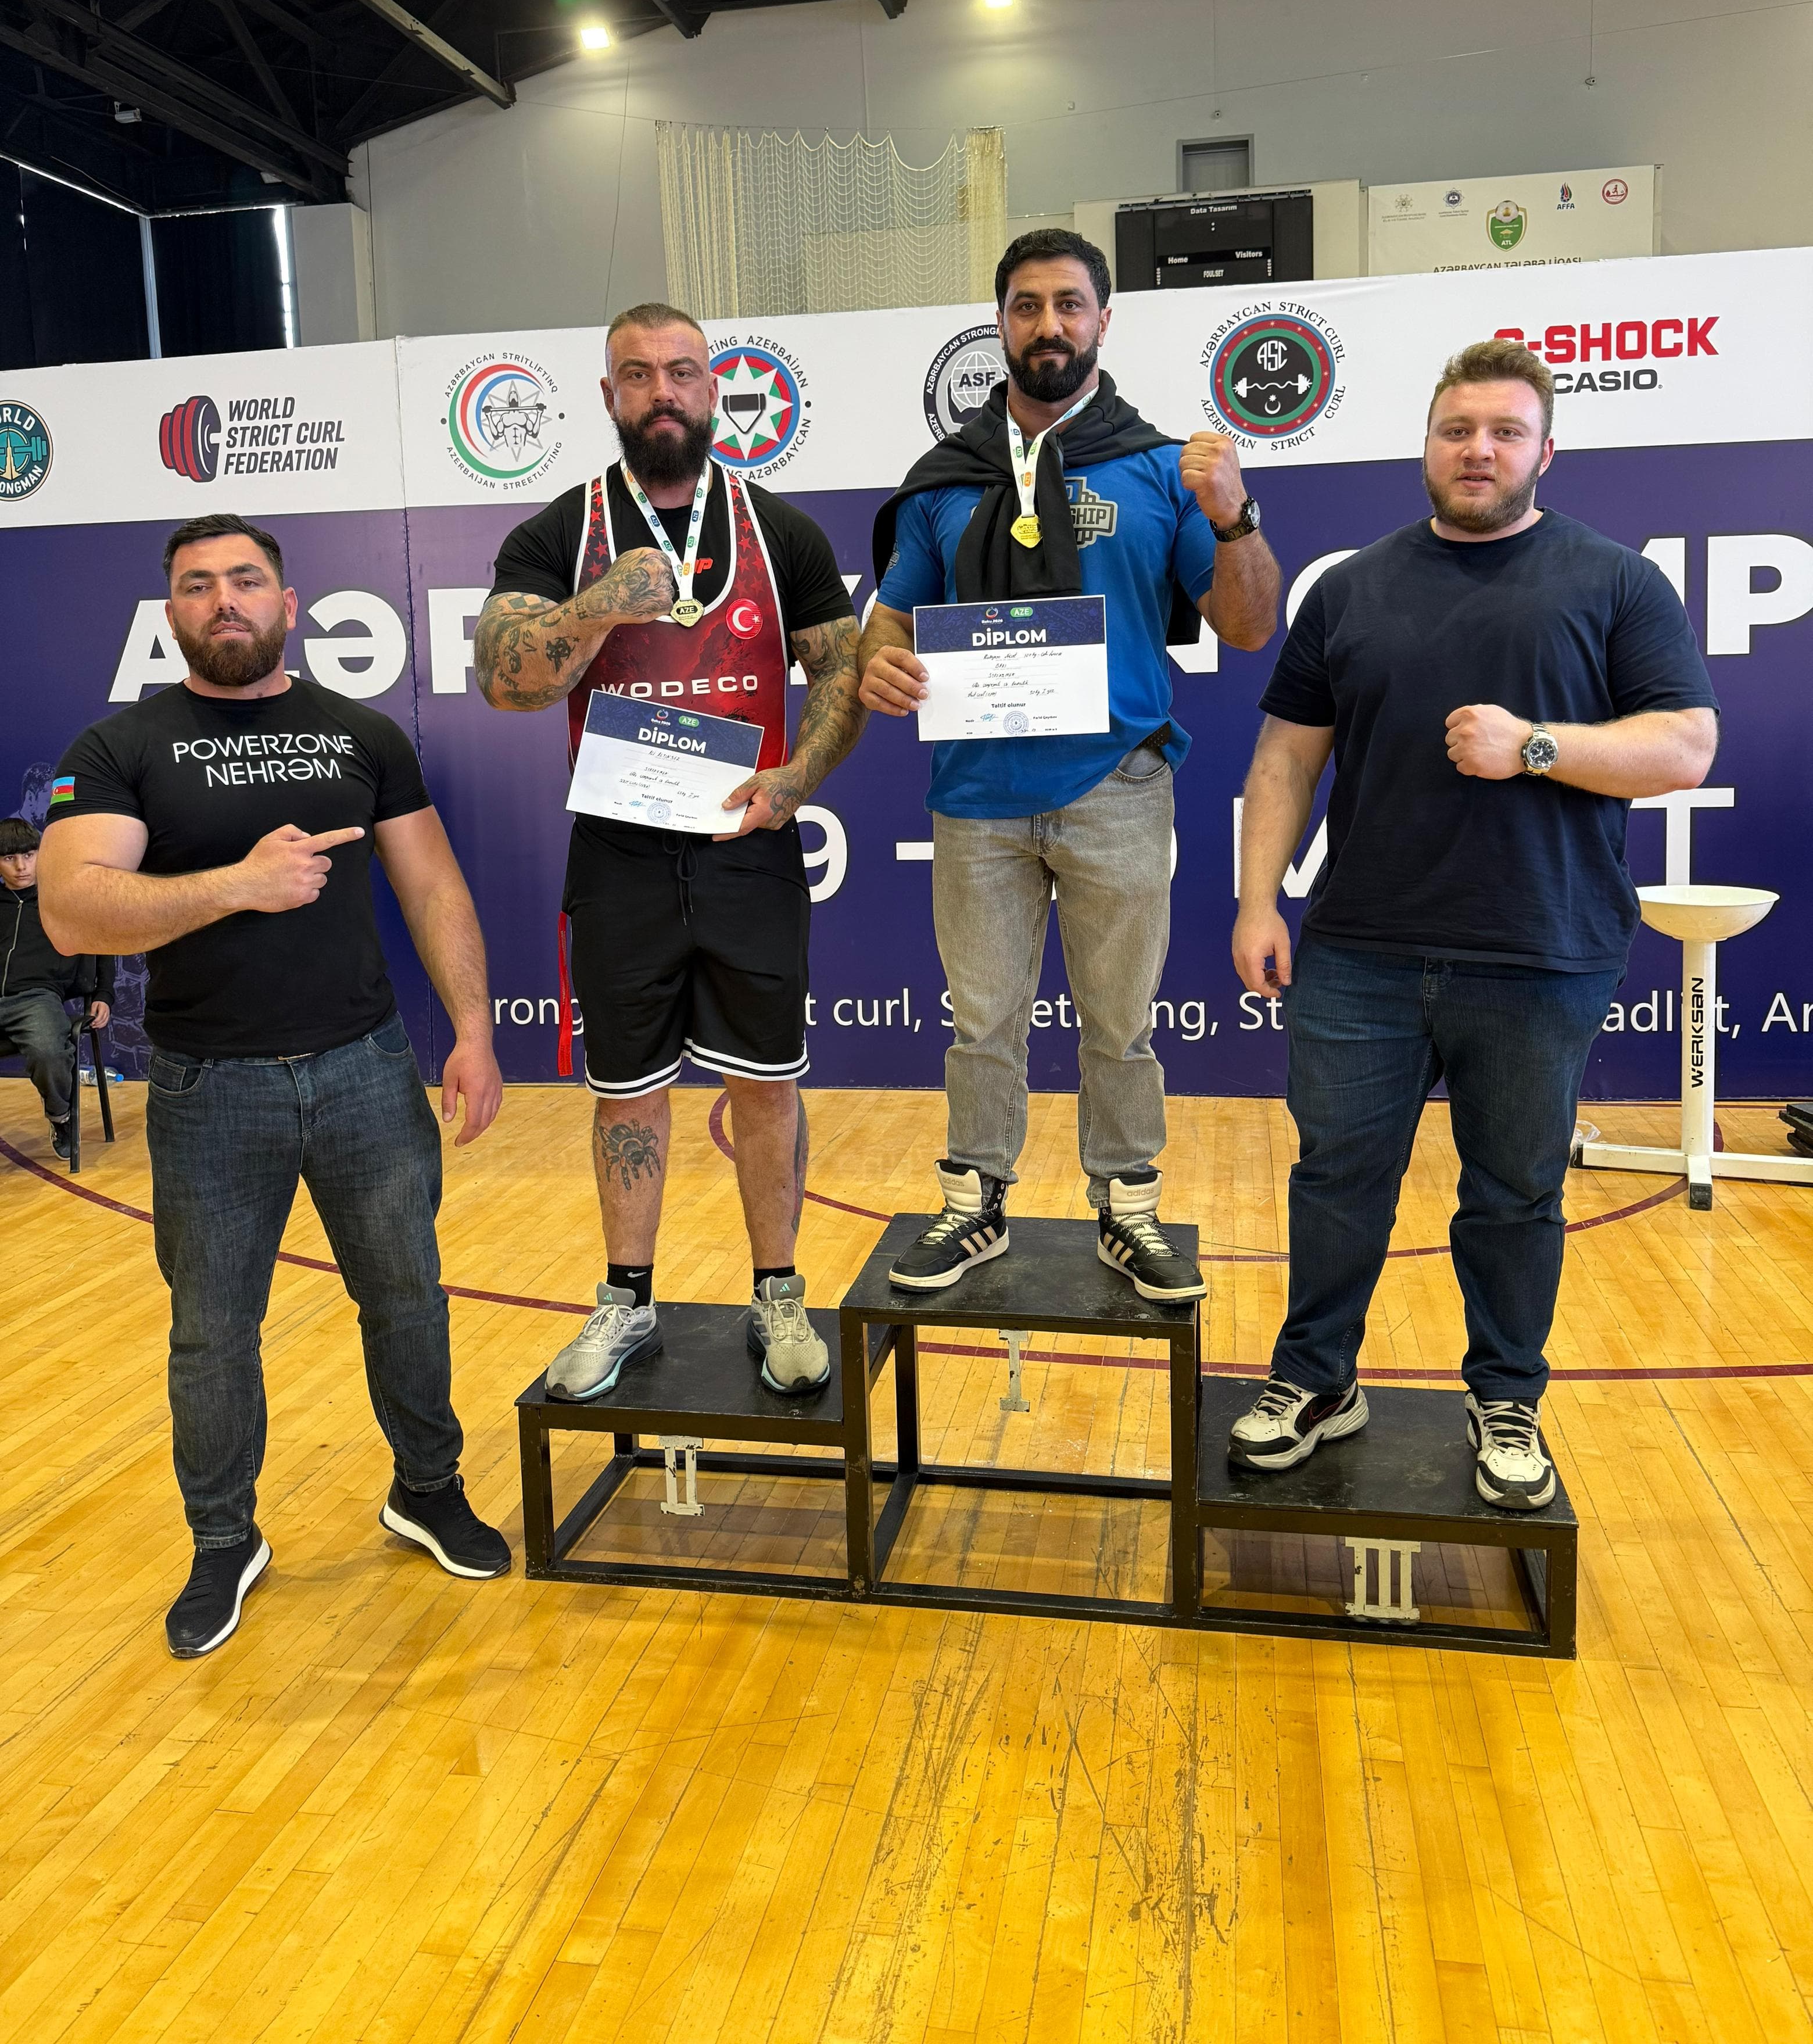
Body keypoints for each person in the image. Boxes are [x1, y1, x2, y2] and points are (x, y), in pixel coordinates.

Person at [1228, 339, 1719, 1507]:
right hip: (1360, 949)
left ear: (1547, 451)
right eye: (1459, 430)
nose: (1479, 450)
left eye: (1505, 432)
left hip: (1542, 950)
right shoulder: (1351, 588)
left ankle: (1507, 1398)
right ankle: (1317, 1379)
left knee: (1514, 1193)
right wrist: (1257, 897)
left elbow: (1685, 745)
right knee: (1337, 1178)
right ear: (1428, 446)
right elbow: (1287, 756)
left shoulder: (1616, 582)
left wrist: (1534, 746)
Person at [37, 512, 509, 1659]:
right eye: (199, 584)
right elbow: (73, 908)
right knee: (212, 1335)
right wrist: (234, 885)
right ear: (172, 612)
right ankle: (223, 1540)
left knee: (408, 1298)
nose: (224, 600)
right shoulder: (121, 746)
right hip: (210, 1089)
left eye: (246, 580)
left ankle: (427, 1490)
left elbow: (433, 884)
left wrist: (473, 1028)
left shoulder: (362, 732)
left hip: (366, 1071)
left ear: (288, 605)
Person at [859, 228, 1280, 1295]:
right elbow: (893, 618)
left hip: (1117, 787)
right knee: (982, 1021)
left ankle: (1128, 1207)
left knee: (1121, 1024)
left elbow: (1248, 627)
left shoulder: (1161, 467)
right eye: (1026, 306)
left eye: (1069, 304)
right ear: (1000, 324)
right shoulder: (945, 481)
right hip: (977, 796)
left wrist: (1235, 516)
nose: (1048, 325)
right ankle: (975, 1202)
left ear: (1103, 320)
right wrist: (878, 663)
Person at [474, 302, 864, 1402]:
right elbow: (506, 681)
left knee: (768, 1088)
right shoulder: (557, 533)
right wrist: (602, 604)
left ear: (712, 390)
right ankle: (627, 1299)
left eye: (682, 372)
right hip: (621, 856)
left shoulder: (780, 531)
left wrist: (800, 777)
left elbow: (839, 670)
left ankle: (778, 1292)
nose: (662, 392)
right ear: (609, 396)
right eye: (638, 375)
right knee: (626, 1095)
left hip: (747, 844)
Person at [0, 815, 113, 1158]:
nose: (21, 867)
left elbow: (101, 942)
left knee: (49, 1052)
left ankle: (61, 1116)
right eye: (9, 858)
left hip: (35, 999)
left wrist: (103, 994)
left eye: (29, 855)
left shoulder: (63, 898)